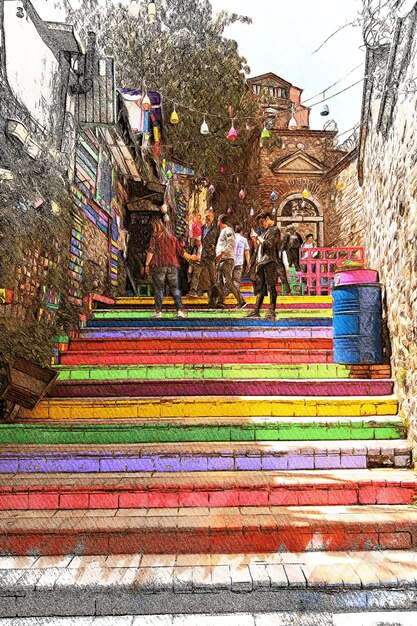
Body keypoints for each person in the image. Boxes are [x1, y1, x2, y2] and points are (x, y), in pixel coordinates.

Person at [145, 219, 198, 318]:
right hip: (172, 267)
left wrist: (147, 264)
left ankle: (158, 312)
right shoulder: (173, 238)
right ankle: (179, 311)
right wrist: (192, 257)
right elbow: (182, 253)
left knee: (159, 289)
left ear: (155, 227)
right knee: (175, 289)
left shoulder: (155, 237)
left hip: (159, 266)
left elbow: (151, 251)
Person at [249, 211, 291, 320]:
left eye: (262, 222)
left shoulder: (275, 230)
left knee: (271, 286)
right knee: (261, 288)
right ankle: (256, 310)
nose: (262, 225)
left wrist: (257, 237)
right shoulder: (267, 231)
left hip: (270, 262)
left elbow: (269, 244)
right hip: (263, 263)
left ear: (267, 218)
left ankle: (271, 311)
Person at [212, 214, 247, 310]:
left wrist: (221, 253)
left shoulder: (228, 231)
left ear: (220, 221)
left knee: (227, 282)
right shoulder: (223, 231)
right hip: (222, 259)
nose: (217, 223)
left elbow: (230, 244)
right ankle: (220, 302)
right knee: (220, 282)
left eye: (218, 221)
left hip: (226, 259)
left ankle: (241, 301)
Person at [188, 208, 219, 302]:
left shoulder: (216, 229)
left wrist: (215, 248)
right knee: (197, 272)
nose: (208, 218)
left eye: (209, 216)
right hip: (202, 253)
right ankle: (193, 290)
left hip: (210, 255)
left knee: (212, 276)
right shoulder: (202, 227)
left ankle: (214, 295)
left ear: (213, 217)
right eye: (206, 216)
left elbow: (218, 241)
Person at [233, 225, 250, 296]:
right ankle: (236, 294)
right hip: (239, 262)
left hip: (230, 261)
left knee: (228, 279)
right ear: (241, 232)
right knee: (236, 279)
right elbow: (247, 252)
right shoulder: (244, 239)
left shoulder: (231, 238)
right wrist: (248, 263)